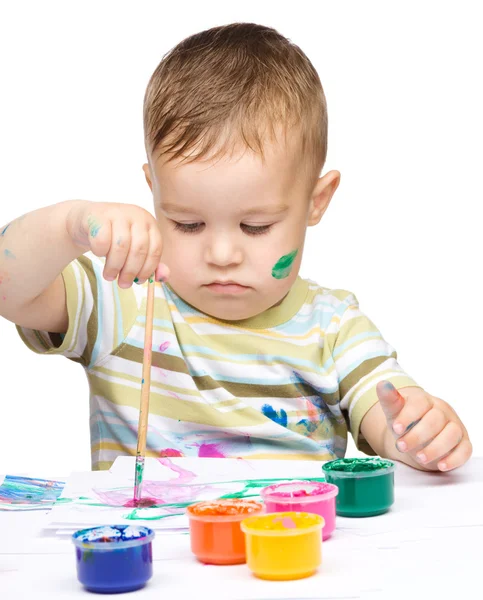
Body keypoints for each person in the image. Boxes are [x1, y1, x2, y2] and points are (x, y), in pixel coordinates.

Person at [0, 23, 471, 472]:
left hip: (289, 552)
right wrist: (69, 226)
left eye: (255, 226)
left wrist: (418, 431)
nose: (222, 253)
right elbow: (9, 288)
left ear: (316, 201)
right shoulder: (123, 300)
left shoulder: (334, 330)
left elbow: (391, 421)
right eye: (188, 223)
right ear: (156, 193)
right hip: (151, 553)